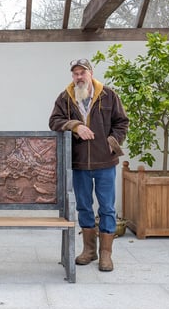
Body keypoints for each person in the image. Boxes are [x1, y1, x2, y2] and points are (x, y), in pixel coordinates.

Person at [49, 58, 129, 272]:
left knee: (107, 208)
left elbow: (122, 122)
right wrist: (75, 126)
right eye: (75, 73)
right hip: (79, 163)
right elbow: (54, 121)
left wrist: (112, 143)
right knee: (83, 206)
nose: (78, 77)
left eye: (82, 73)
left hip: (105, 162)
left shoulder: (108, 95)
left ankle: (106, 254)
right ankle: (89, 250)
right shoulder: (66, 97)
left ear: (91, 73)